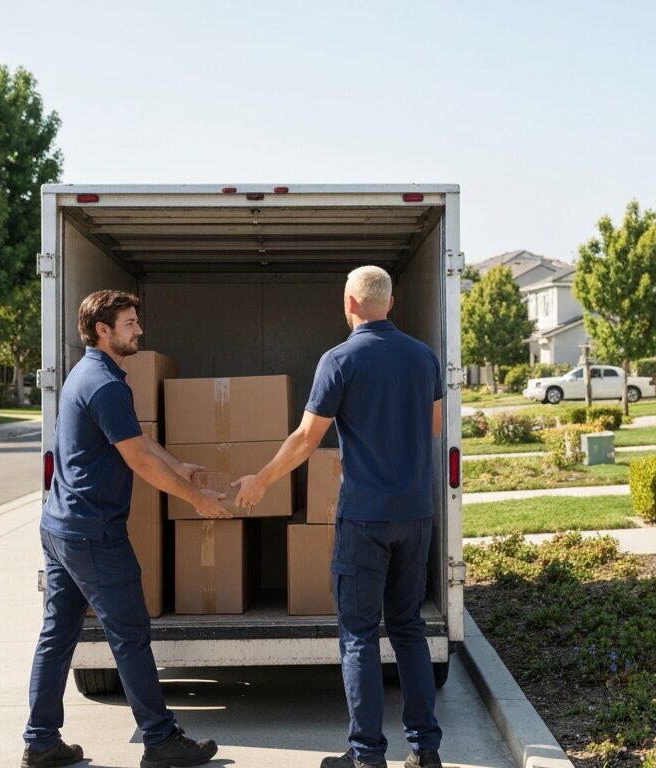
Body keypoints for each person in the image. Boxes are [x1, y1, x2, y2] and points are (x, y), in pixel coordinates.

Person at [233, 266, 445, 768]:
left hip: (365, 520)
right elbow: (433, 428)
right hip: (415, 516)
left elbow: (307, 439)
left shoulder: (339, 360)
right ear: (388, 304)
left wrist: (260, 480)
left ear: (349, 304)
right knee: (410, 628)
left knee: (358, 634)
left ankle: (366, 755)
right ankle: (426, 751)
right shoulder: (424, 358)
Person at [23, 289, 227, 768]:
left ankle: (41, 741)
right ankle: (160, 741)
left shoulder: (94, 374)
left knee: (57, 635)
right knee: (130, 635)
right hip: (93, 533)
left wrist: (180, 467)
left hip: (61, 526)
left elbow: (135, 438)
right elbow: (135, 460)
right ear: (103, 330)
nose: (139, 330)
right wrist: (196, 499)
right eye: (131, 323)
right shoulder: (106, 383)